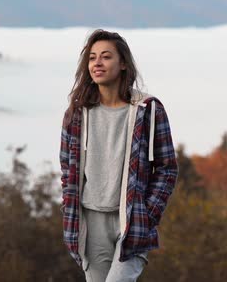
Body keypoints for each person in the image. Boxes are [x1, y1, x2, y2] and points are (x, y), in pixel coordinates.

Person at [59, 29, 178, 282]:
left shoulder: (148, 110)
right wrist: (70, 215)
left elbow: (167, 168)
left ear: (123, 63)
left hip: (132, 221)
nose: (97, 63)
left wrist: (147, 213)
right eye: (92, 58)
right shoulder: (76, 114)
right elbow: (67, 171)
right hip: (91, 223)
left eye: (106, 57)